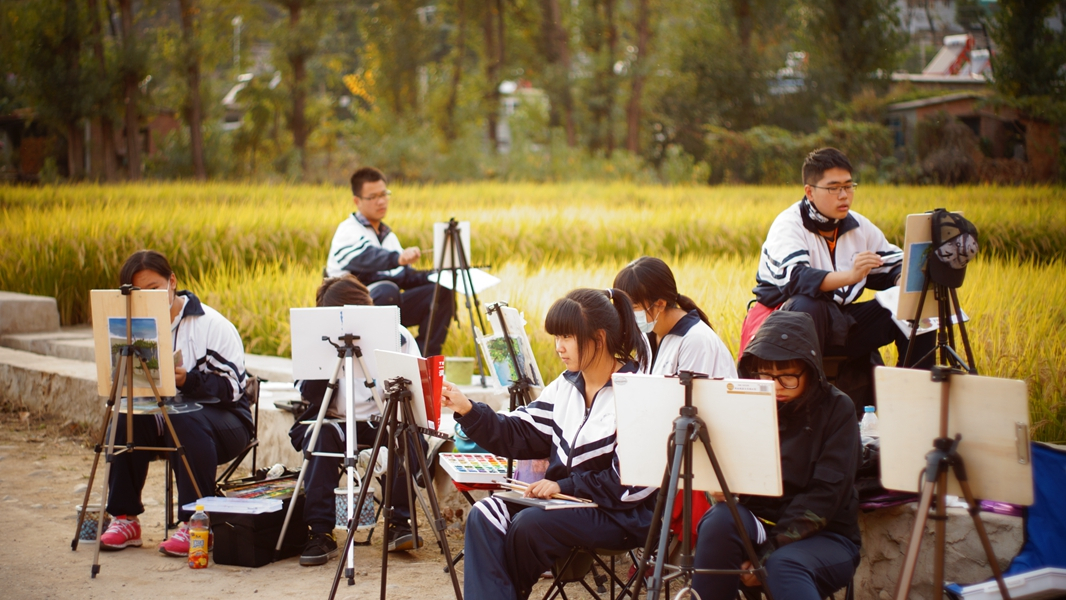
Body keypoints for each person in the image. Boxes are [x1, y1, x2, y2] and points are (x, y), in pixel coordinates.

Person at [440, 288, 656, 600]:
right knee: (483, 514)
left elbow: (631, 484)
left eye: (567, 337)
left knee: (530, 524)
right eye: (556, 337)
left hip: (620, 515)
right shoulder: (565, 386)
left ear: (599, 338)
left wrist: (564, 486)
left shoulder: (638, 392)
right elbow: (519, 433)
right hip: (563, 505)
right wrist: (468, 410)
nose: (558, 347)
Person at [692, 310, 861, 600]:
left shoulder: (838, 410)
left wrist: (767, 553)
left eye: (788, 377)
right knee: (719, 520)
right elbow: (729, 480)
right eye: (766, 376)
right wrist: (720, 492)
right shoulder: (748, 403)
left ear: (811, 370)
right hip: (756, 525)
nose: (776, 386)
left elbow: (825, 497)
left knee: (782, 565)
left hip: (826, 536)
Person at [98, 250, 253, 556]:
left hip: (226, 424)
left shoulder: (211, 324)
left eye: (154, 289)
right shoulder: (129, 325)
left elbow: (233, 390)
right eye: (138, 293)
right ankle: (125, 518)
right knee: (125, 417)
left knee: (183, 417)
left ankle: (195, 523)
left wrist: (187, 380)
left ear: (172, 282)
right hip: (162, 421)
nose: (148, 299)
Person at [746, 147, 933, 368]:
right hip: (785, 328)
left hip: (841, 322)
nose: (844, 195)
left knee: (912, 303)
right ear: (810, 192)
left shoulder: (858, 225)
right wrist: (851, 275)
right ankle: (805, 391)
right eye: (833, 188)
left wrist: (903, 279)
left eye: (848, 186)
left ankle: (916, 384)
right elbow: (797, 279)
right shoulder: (789, 225)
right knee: (807, 305)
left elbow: (893, 263)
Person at [290, 275, 425, 565]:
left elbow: (416, 388)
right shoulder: (318, 339)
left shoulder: (397, 335)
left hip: (384, 417)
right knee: (320, 436)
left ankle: (399, 524)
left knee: (406, 437)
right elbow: (306, 393)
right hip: (336, 421)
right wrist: (328, 358)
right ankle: (321, 532)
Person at [325, 166, 455, 357]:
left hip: (386, 305)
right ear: (357, 201)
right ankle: (386, 359)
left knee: (442, 289)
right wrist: (398, 258)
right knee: (388, 291)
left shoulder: (387, 236)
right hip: (349, 313)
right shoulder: (348, 231)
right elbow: (366, 258)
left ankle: (424, 358)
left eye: (384, 194)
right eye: (373, 197)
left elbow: (403, 277)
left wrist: (440, 274)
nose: (381, 201)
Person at [614, 256, 737, 378]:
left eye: (633, 308)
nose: (627, 315)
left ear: (660, 304)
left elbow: (688, 396)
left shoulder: (694, 340)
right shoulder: (648, 335)